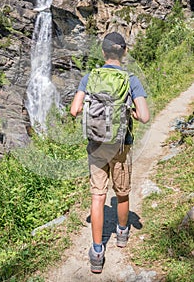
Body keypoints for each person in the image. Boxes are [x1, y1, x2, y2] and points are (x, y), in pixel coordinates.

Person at [70, 32, 150, 274]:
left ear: (103, 52)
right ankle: (122, 234)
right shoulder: (131, 79)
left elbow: (74, 110)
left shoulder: (90, 77)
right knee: (122, 193)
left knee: (98, 197)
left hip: (96, 145)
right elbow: (144, 116)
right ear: (124, 52)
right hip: (121, 144)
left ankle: (96, 251)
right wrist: (131, 113)